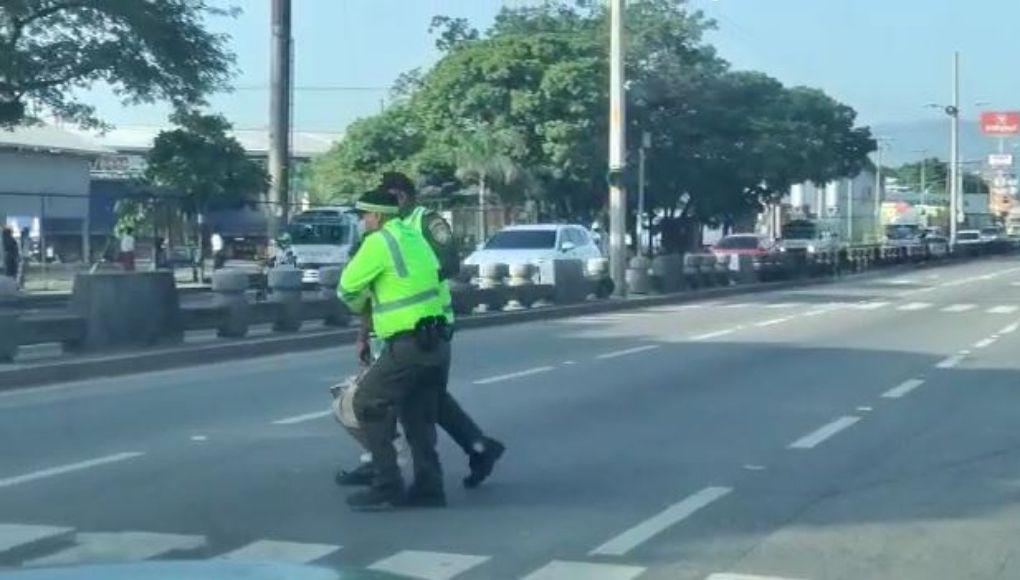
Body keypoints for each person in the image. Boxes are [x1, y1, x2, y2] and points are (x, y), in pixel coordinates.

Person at [336, 172, 506, 490]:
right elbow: (369, 285)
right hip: (397, 323)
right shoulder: (381, 232)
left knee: (396, 399)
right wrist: (364, 332)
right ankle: (469, 453)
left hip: (426, 323)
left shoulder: (425, 222)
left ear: (399, 197)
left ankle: (386, 470)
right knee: (423, 400)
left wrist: (410, 279)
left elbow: (448, 263)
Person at [336, 188, 451, 510]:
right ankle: (430, 488)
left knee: (367, 402)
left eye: (364, 215)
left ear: (377, 215)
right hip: (438, 341)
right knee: (418, 414)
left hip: (408, 342)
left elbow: (346, 288)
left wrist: (364, 305)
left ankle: (387, 483)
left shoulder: (379, 242)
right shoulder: (416, 237)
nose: (361, 221)